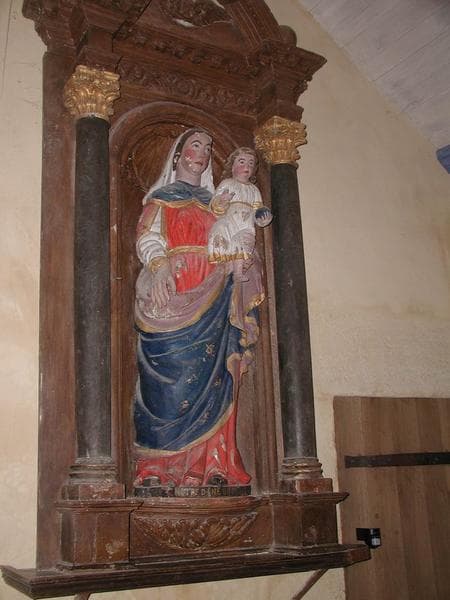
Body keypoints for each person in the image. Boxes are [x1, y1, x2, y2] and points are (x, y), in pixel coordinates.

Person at [133, 129, 265, 489]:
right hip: (173, 288)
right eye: (195, 145)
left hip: (215, 289)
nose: (203, 152)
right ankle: (157, 467)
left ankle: (211, 465)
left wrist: (242, 257)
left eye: (208, 147)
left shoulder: (217, 202)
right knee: (166, 383)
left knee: (218, 375)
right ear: (178, 155)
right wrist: (159, 266)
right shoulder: (162, 199)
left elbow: (237, 232)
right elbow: (148, 237)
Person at [208, 147, 272, 281]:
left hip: (246, 225)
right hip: (228, 221)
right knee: (219, 231)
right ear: (232, 167)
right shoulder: (227, 183)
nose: (246, 166)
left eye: (250, 163)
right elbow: (214, 206)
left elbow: (258, 210)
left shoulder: (254, 190)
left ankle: (237, 273)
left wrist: (263, 219)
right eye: (242, 162)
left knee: (243, 242)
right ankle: (223, 266)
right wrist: (222, 201)